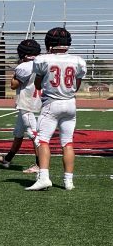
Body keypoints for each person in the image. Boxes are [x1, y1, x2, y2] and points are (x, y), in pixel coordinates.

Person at [26, 27, 86, 191]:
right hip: (70, 104)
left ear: (49, 43)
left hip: (51, 104)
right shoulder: (78, 61)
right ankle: (68, 182)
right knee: (67, 142)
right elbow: (76, 86)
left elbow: (38, 85)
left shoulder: (43, 59)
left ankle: (44, 178)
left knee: (42, 140)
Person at [0, 39, 42, 173]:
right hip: (35, 100)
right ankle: (7, 159)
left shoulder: (23, 67)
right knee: (19, 133)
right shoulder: (41, 63)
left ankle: (40, 165)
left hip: (27, 103)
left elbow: (13, 85)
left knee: (34, 135)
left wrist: (15, 71)